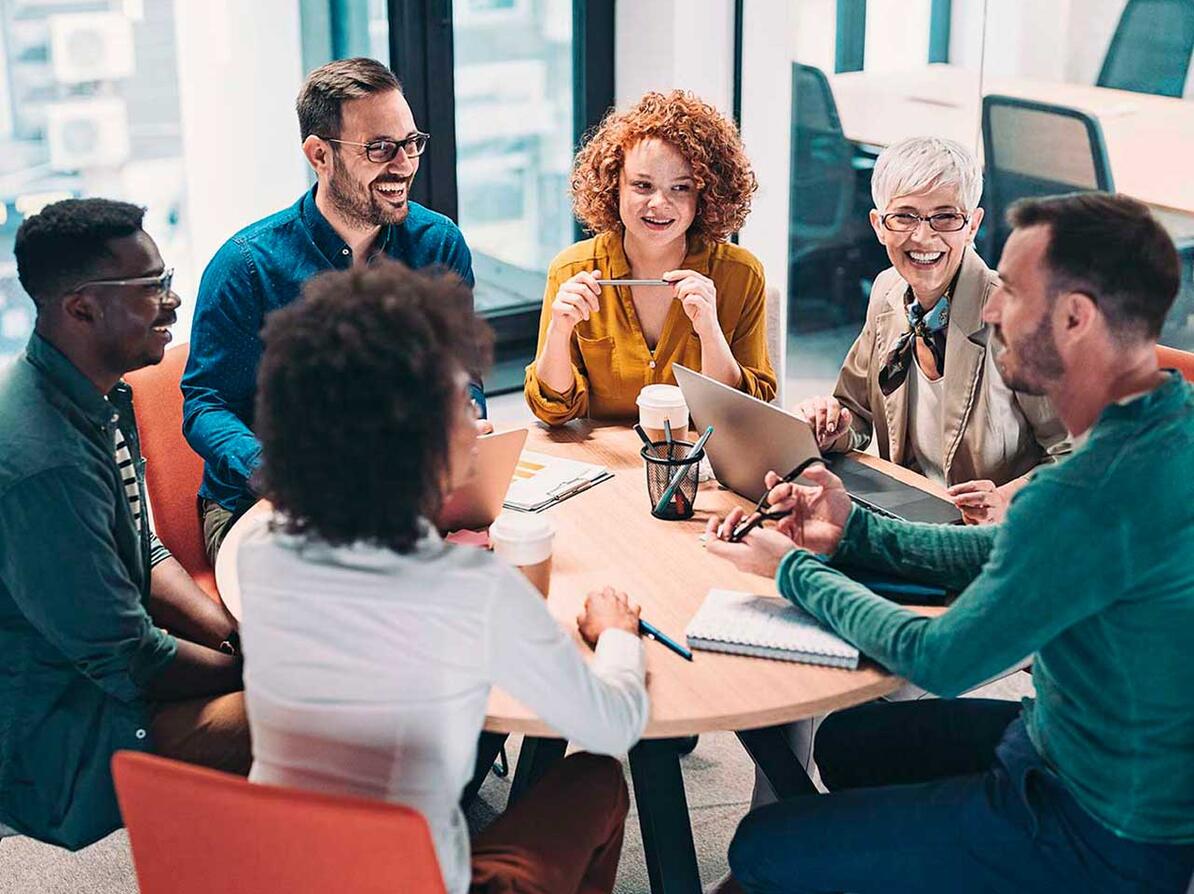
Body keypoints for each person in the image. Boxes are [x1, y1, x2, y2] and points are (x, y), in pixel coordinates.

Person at [707, 192, 1194, 893]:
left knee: (762, 846)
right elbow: (1001, 555)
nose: (991, 311)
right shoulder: (1164, 420)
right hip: (1067, 746)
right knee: (848, 741)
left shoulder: (1087, 492)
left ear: (1075, 318)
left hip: (1096, 831)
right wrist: (850, 531)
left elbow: (938, 658)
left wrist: (795, 572)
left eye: (1012, 293)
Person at [237, 260, 649, 894]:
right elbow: (613, 724)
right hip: (412, 880)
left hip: (274, 871)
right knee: (596, 778)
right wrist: (618, 634)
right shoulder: (468, 588)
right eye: (460, 400)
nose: (477, 418)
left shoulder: (261, 551)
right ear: (413, 438)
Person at [0, 199, 249, 850]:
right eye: (153, 288)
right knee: (317, 713)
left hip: (106, 676)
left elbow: (140, 542)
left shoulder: (97, 391)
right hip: (67, 729)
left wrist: (231, 634)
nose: (173, 303)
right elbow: (129, 658)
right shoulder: (42, 461)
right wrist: (255, 673)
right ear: (80, 308)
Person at [182, 57, 485, 566]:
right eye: (380, 148)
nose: (405, 164)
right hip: (262, 503)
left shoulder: (439, 244)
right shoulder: (247, 266)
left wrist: (465, 416)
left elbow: (463, 373)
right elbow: (204, 405)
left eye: (411, 143)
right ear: (319, 155)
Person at [795, 136, 1067, 526]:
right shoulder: (888, 291)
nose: (923, 237)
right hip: (907, 517)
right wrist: (828, 424)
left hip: (994, 538)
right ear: (879, 225)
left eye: (945, 217)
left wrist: (1009, 500)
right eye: (904, 216)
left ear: (972, 224)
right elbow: (854, 413)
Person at [524, 90, 776, 425]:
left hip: (700, 467)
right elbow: (553, 410)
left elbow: (744, 414)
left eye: (681, 188)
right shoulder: (572, 270)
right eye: (642, 186)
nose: (659, 203)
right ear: (614, 186)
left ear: (706, 194)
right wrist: (559, 331)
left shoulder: (741, 274)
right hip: (606, 467)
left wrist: (709, 330)